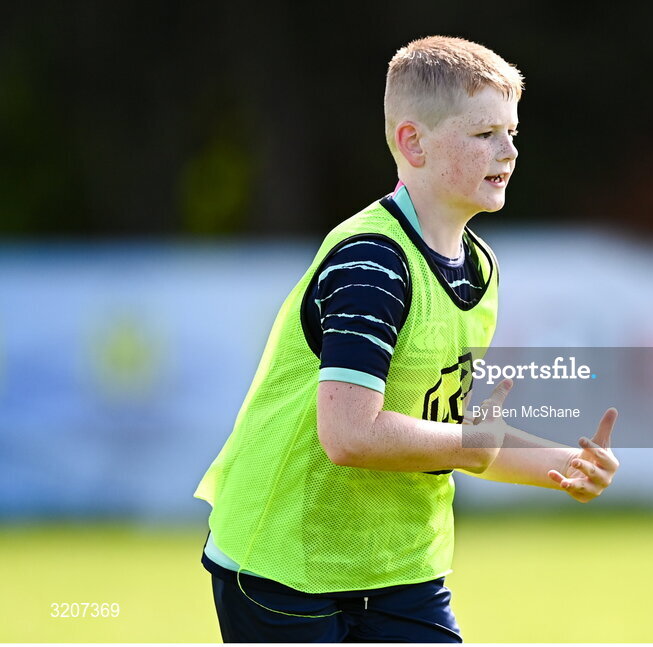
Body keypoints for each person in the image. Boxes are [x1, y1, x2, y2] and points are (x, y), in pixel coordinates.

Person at [194, 35, 619, 643]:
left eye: (512, 133)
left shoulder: (480, 269)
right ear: (412, 142)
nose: (508, 151)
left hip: (399, 568)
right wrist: (470, 442)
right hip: (284, 565)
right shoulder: (373, 263)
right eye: (484, 135)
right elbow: (349, 435)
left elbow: (449, 431)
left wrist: (565, 465)